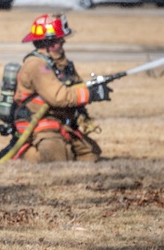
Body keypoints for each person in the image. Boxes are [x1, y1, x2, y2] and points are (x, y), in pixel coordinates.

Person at [8, 13, 111, 162]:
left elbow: (77, 86)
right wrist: (91, 94)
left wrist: (94, 88)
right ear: (47, 42)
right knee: (57, 156)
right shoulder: (37, 65)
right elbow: (59, 97)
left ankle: (62, 148)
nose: (63, 41)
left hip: (60, 123)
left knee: (91, 153)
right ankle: (22, 154)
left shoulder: (62, 64)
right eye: (59, 39)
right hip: (39, 124)